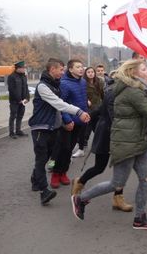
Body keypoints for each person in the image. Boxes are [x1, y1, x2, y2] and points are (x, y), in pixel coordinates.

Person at [71, 59, 147, 230]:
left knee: (146, 179)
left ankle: (139, 218)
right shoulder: (132, 91)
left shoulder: (139, 88)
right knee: (116, 184)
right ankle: (81, 198)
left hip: (138, 141)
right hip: (126, 141)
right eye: (145, 69)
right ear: (133, 73)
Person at [29, 58, 91, 206]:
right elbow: (59, 103)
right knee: (41, 158)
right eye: (61, 69)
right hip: (40, 126)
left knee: (47, 157)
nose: (62, 72)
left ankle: (35, 179)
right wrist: (78, 112)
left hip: (52, 127)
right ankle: (44, 191)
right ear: (52, 70)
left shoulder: (55, 84)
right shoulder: (43, 86)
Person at [71, 71, 133, 212]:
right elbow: (113, 117)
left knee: (122, 169)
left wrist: (89, 115)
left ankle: (118, 198)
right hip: (107, 134)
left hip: (117, 135)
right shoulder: (114, 91)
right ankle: (80, 181)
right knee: (100, 167)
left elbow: (99, 108)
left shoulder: (124, 90)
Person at [51, 59, 88, 189]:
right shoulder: (64, 84)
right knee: (63, 149)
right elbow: (61, 104)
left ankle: (63, 173)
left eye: (82, 66)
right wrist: (67, 120)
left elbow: (82, 101)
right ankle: (55, 174)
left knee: (70, 149)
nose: (81, 69)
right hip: (68, 122)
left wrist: (86, 114)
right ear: (70, 69)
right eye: (78, 67)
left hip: (79, 122)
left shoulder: (83, 82)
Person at [73, 67, 104, 157]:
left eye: (92, 72)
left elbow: (102, 94)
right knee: (85, 128)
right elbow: (80, 93)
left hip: (98, 108)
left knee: (98, 128)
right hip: (88, 109)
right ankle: (81, 147)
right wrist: (86, 100)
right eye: (88, 72)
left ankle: (101, 146)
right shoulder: (83, 83)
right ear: (85, 74)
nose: (91, 73)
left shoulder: (99, 82)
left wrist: (104, 104)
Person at [7, 60, 30, 139]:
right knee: (13, 116)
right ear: (18, 68)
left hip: (23, 101)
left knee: (20, 116)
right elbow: (11, 90)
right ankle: (11, 132)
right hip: (14, 101)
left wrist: (27, 98)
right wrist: (18, 99)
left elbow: (26, 88)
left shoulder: (24, 76)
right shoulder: (11, 77)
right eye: (23, 68)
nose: (24, 69)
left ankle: (18, 130)